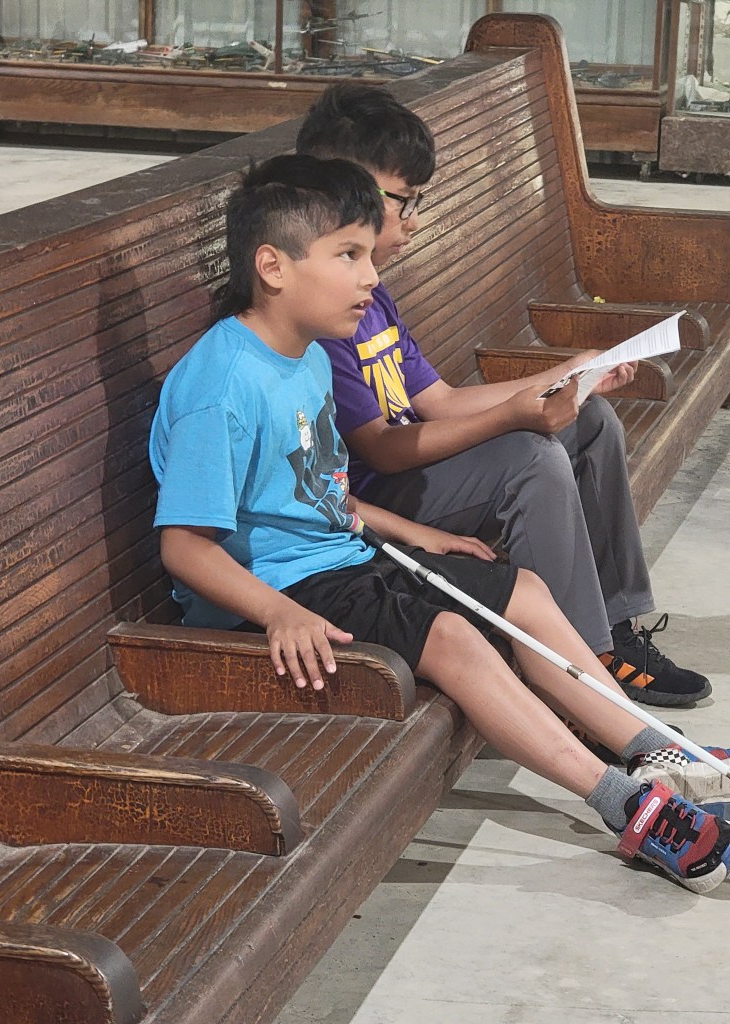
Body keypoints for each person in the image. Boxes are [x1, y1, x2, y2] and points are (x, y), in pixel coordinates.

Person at [149, 153, 730, 894]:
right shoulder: (222, 382)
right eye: (348, 255)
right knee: (453, 639)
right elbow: (183, 547)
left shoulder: (305, 360)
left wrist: (416, 534)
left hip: (337, 557)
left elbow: (323, 494)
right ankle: (626, 804)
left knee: (518, 590)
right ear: (273, 266)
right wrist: (279, 614)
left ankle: (658, 751)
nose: (370, 276)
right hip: (276, 594)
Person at [295, 83, 710, 710]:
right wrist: (514, 417)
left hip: (420, 467)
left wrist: (564, 373)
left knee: (591, 418)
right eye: (404, 201)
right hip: (381, 503)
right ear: (343, 193)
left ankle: (616, 628)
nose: (414, 220)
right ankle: (583, 663)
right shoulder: (327, 316)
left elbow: (436, 399)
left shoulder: (371, 295)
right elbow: (383, 451)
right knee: (529, 459)